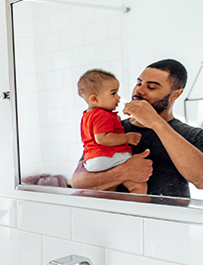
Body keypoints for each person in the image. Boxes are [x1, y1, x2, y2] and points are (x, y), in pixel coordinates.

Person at [72, 59, 203, 198]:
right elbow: (77, 182)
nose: (139, 91)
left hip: (169, 219)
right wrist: (124, 172)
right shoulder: (111, 130)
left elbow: (201, 180)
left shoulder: (193, 135)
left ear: (175, 94)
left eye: (151, 87)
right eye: (139, 83)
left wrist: (156, 123)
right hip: (120, 218)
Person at [77, 69, 146, 193]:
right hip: (105, 156)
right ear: (94, 99)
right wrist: (128, 138)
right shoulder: (103, 114)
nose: (118, 97)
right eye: (113, 93)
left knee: (109, 188)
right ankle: (137, 209)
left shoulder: (88, 116)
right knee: (138, 185)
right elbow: (103, 138)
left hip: (91, 160)